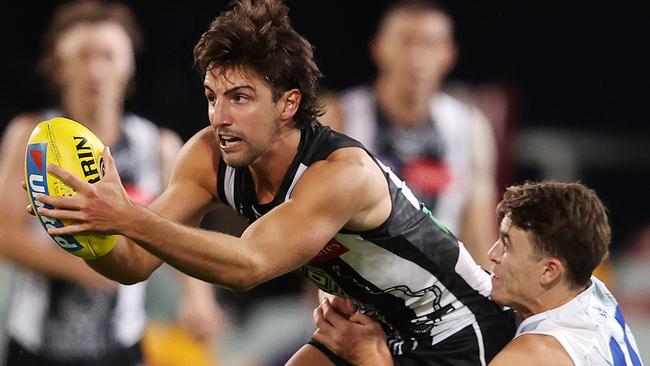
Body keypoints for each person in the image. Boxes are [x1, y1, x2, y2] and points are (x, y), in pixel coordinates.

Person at [33, 0, 515, 364]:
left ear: (287, 104)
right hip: (366, 324)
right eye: (211, 96)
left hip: (456, 326)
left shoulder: (341, 173)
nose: (219, 116)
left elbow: (249, 264)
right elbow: (134, 261)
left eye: (240, 98)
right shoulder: (208, 154)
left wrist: (129, 216)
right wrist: (83, 229)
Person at [0, 1, 221, 365]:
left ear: (129, 64)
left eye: (108, 55)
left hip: (123, 347)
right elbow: (6, 233)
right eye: (83, 56)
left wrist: (199, 299)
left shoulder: (158, 145)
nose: (95, 70)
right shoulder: (31, 138)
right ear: (57, 66)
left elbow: (180, 233)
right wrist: (101, 263)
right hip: (36, 349)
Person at [313, 181, 645, 366]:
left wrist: (372, 359)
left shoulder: (535, 356)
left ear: (549, 271)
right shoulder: (592, 291)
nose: (492, 255)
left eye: (507, 245)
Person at [321, 0, 498, 269]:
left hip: (439, 286)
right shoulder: (338, 116)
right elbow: (313, 223)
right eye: (406, 41)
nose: (417, 56)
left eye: (430, 43)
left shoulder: (469, 127)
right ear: (378, 48)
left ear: (449, 55)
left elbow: (479, 236)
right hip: (355, 281)